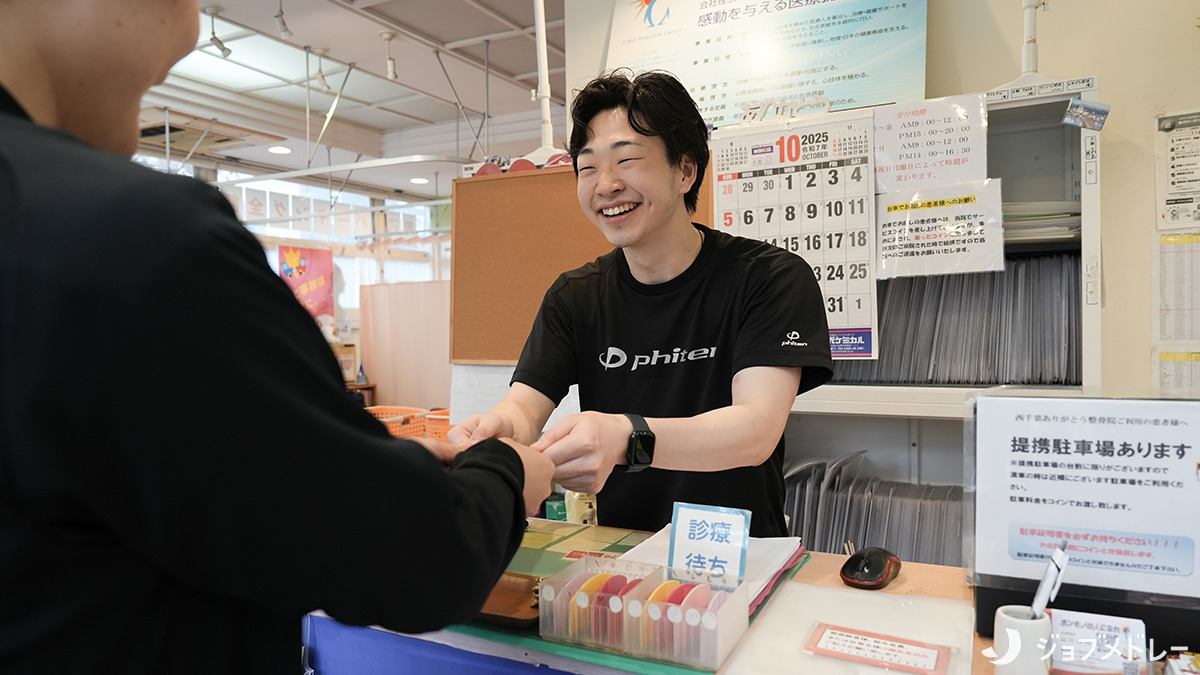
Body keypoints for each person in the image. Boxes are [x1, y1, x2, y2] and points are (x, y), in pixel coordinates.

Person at [0, 1, 554, 672]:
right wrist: (504, 471)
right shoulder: (130, 241)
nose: (191, 27)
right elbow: (416, 555)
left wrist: (352, 460)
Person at [451, 69, 833, 538]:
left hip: (736, 553)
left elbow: (755, 430)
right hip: (621, 552)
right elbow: (525, 408)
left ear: (685, 171)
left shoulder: (767, 278)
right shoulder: (576, 297)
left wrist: (627, 437)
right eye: (588, 168)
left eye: (627, 160)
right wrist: (500, 428)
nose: (606, 185)